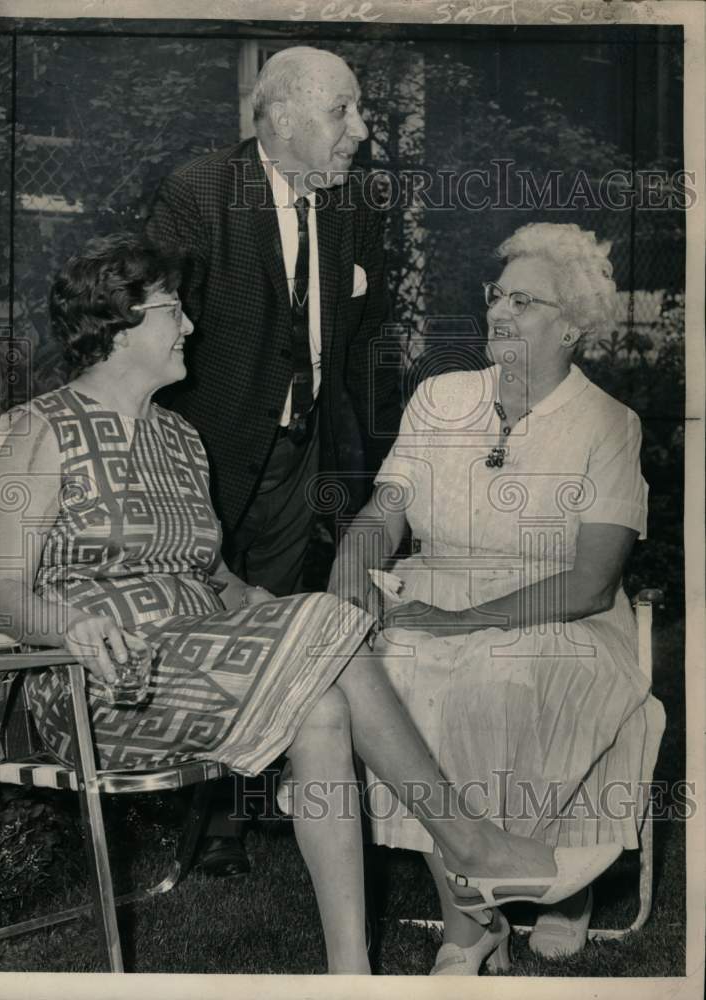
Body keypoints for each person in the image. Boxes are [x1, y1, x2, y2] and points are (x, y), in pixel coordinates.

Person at [0, 234, 622, 975]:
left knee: (323, 704)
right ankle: (474, 845)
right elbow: (0, 591)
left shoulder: (181, 440)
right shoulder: (41, 429)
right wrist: (74, 622)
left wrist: (262, 605)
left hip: (203, 657)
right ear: (119, 321)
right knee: (330, 622)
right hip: (100, 684)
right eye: (173, 311)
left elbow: (213, 576)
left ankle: (348, 974)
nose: (190, 325)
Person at [329, 222, 666, 973]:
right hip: (433, 587)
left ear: (572, 326)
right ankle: (475, 917)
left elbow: (589, 580)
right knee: (391, 671)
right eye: (496, 296)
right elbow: (383, 514)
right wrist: (349, 579)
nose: (499, 313)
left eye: (525, 301)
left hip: (554, 607)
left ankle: (553, 883)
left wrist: (462, 620)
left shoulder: (608, 423)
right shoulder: (441, 397)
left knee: (497, 677)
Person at [145, 45, 400, 869]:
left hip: (303, 446)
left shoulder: (354, 201)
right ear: (282, 114)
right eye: (343, 112)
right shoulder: (200, 193)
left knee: (280, 616)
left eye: (358, 112)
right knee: (206, 614)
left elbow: (360, 315)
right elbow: (157, 326)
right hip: (208, 450)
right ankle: (204, 812)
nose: (360, 132)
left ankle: (254, 805)